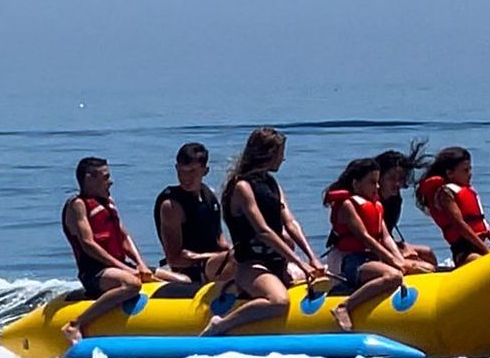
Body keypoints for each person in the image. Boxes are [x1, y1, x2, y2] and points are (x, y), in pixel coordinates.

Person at [203, 127, 326, 336]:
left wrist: (312, 258)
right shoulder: (242, 187)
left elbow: (291, 223)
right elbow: (263, 231)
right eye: (280, 153)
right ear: (268, 154)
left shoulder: (272, 184)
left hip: (277, 263)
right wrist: (299, 262)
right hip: (251, 265)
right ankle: (220, 324)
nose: (283, 159)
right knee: (279, 301)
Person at [61, 156, 183, 344]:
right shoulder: (77, 205)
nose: (110, 181)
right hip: (95, 272)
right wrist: (126, 270)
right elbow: (88, 244)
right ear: (89, 178)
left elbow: (123, 236)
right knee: (131, 285)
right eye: (105, 177)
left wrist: (140, 264)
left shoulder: (107, 201)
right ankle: (75, 324)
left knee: (184, 280)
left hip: (121, 266)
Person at [323, 158, 406, 332]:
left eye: (377, 182)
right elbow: (364, 237)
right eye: (372, 182)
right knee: (393, 277)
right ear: (356, 184)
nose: (377, 187)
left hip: (372, 259)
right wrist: (391, 260)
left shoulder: (377, 206)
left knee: (422, 266)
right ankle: (344, 307)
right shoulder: (348, 205)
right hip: (354, 262)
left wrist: (401, 260)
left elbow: (385, 237)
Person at [154, 142, 234, 285]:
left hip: (214, 261)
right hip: (190, 269)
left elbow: (220, 240)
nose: (186, 178)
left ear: (205, 170)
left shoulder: (210, 196)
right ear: (176, 168)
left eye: (192, 172)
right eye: (181, 171)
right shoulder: (171, 206)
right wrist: (215, 256)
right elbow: (174, 258)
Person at [416, 146, 490, 266]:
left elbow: (484, 222)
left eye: (470, 169)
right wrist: (486, 251)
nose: (470, 174)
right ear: (450, 173)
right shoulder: (445, 194)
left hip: (482, 246)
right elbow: (460, 225)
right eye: (465, 170)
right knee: (483, 263)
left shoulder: (468, 190)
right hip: (464, 252)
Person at [376, 144, 438, 271]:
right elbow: (373, 237)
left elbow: (387, 233)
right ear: (379, 178)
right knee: (427, 267)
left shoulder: (394, 200)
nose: (397, 183)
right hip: (369, 249)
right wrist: (399, 255)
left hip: (386, 245)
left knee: (428, 253)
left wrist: (403, 246)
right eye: (391, 178)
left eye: (400, 179)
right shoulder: (371, 202)